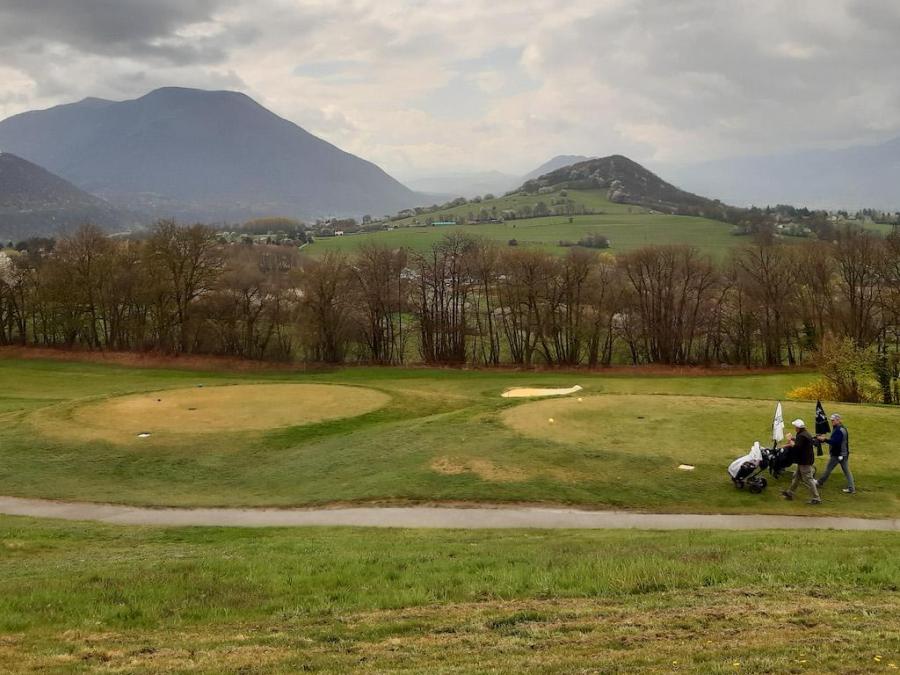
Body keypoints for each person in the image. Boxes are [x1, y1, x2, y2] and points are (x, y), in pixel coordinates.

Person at [781, 419, 821, 505]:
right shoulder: (804, 434)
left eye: (795, 427)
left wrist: (789, 440)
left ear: (798, 428)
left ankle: (816, 498)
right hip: (804, 460)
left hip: (804, 461)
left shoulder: (802, 436)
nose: (795, 428)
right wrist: (792, 438)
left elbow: (796, 447)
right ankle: (790, 493)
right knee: (796, 477)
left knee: (808, 479)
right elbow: (800, 443)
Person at [816, 413, 855, 494]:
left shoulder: (839, 430)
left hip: (838, 454)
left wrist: (824, 439)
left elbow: (835, 442)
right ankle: (851, 488)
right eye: (831, 420)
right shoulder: (840, 428)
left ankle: (819, 482)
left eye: (833, 420)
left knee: (828, 469)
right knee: (847, 471)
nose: (832, 422)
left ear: (838, 420)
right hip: (843, 454)